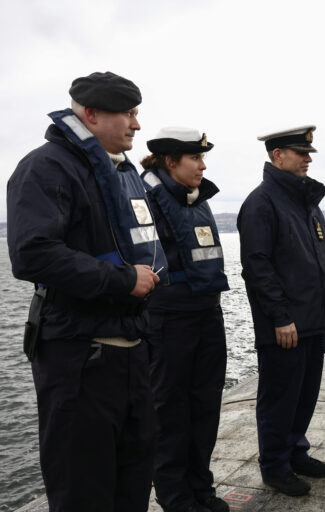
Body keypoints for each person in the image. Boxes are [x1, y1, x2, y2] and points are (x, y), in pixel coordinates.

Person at [6, 71, 167, 511]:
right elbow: (32, 254)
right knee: (84, 491)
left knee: (134, 481)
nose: (136, 125)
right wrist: (124, 280)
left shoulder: (121, 173)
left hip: (131, 353)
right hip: (81, 359)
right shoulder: (46, 166)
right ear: (91, 114)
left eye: (138, 114)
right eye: (128, 114)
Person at [238, 125, 325, 497]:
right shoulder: (262, 202)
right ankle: (275, 466)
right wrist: (280, 316)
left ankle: (296, 451)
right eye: (301, 153)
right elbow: (257, 265)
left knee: (304, 394)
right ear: (278, 156)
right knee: (279, 397)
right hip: (286, 325)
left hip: (312, 320)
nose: (308, 159)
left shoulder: (305, 202)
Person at [140, 128, 230, 512]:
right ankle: (176, 498)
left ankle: (200, 487)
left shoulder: (196, 198)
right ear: (171, 161)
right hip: (168, 319)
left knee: (205, 409)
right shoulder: (147, 197)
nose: (203, 166)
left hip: (206, 312)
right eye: (196, 158)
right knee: (170, 412)